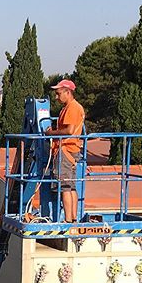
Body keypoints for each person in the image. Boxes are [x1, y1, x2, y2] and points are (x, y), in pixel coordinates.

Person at [45, 79, 85, 223]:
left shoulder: (72, 108)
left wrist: (51, 133)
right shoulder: (73, 107)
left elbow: (69, 130)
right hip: (71, 151)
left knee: (65, 187)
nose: (56, 97)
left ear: (68, 92)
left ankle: (68, 220)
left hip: (66, 150)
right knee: (71, 186)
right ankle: (73, 218)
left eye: (58, 93)